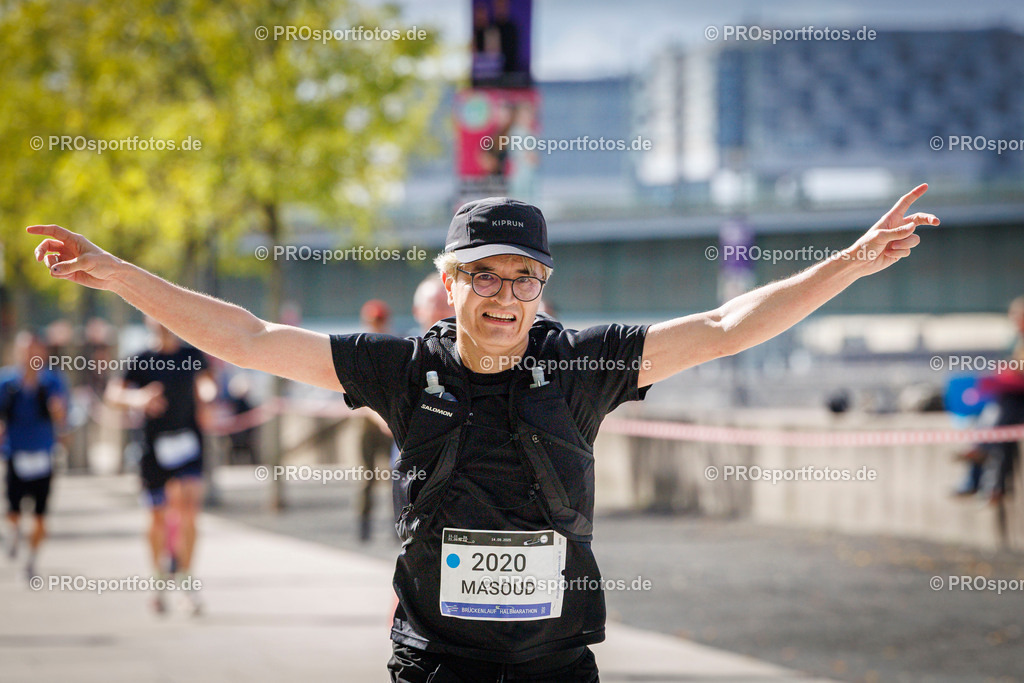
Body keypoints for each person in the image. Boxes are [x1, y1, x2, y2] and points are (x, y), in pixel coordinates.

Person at [26, 188, 936, 681]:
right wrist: (118, 273)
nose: (504, 296)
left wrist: (854, 261)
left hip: (554, 663)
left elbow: (732, 324)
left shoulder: (586, 363)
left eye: (523, 277)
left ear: (543, 283)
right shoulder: (398, 369)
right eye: (484, 276)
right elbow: (250, 339)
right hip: (435, 663)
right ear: (448, 281)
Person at [105, 317, 215, 615]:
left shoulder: (191, 356)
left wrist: (208, 396)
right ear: (148, 321)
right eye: (157, 319)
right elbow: (113, 395)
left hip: (188, 443)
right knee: (157, 517)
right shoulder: (139, 360)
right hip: (153, 448)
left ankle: (186, 578)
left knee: (190, 509)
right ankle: (158, 581)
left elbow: (208, 382)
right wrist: (138, 399)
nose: (164, 325)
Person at [0, 330, 68, 581]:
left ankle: (32, 559)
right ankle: (14, 532)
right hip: (15, 454)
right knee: (13, 510)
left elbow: (63, 418)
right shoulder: (6, 383)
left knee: (40, 515)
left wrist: (58, 411)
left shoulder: (53, 382)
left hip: (43, 454)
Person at [356, 299, 396, 541]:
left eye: (379, 320)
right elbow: (358, 395)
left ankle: (397, 525)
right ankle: (364, 525)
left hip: (391, 423)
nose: (376, 325)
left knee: (397, 476)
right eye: (373, 321)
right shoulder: (360, 350)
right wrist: (379, 415)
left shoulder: (393, 347)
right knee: (367, 477)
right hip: (370, 424)